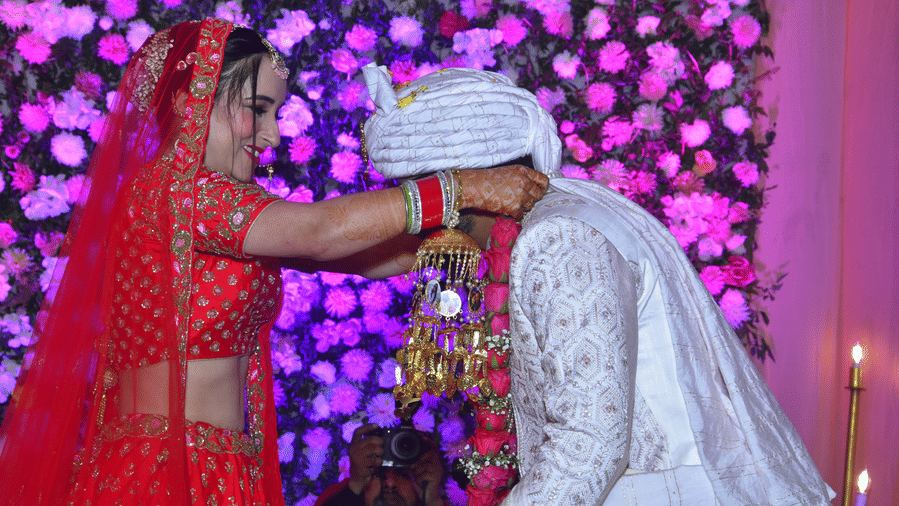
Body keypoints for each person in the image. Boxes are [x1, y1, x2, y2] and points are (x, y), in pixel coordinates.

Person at [0, 19, 547, 506]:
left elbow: (364, 259)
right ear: (193, 100)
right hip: (163, 471)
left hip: (223, 467)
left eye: (276, 113)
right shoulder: (174, 190)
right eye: (257, 110)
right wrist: (463, 185)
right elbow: (319, 231)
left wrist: (475, 232)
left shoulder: (214, 204)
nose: (273, 135)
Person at [361, 64, 836, 505]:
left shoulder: (558, 237)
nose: (412, 220)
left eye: (416, 198)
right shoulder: (550, 221)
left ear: (461, 186)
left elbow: (588, 444)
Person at [314, 423, 446, 506]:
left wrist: (432, 501)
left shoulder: (430, 499)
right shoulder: (341, 495)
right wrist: (355, 485)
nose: (390, 483)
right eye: (377, 474)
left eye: (403, 475)